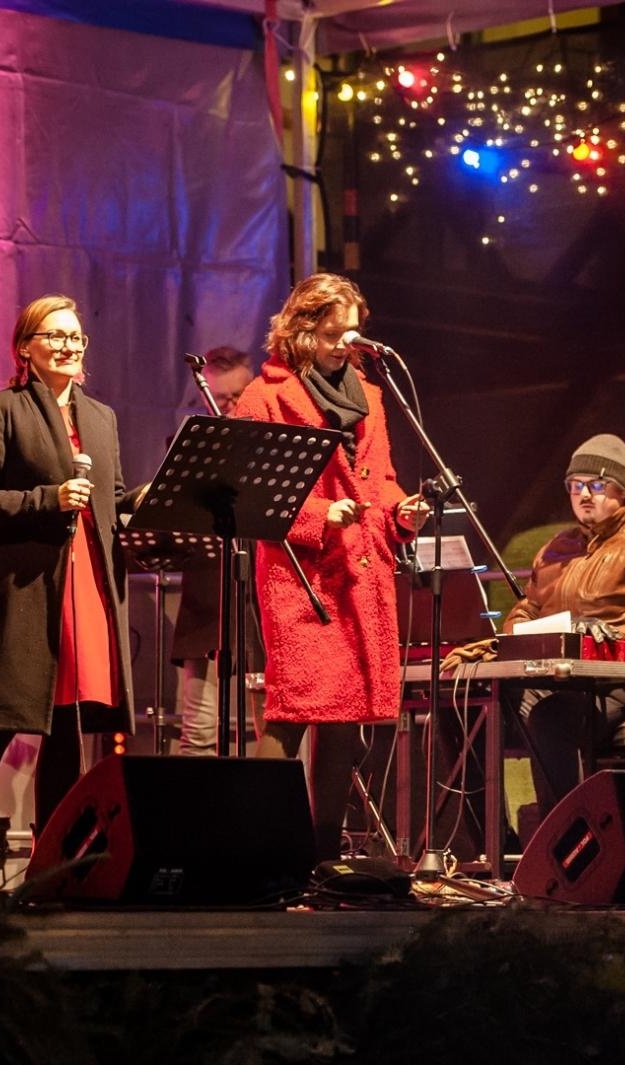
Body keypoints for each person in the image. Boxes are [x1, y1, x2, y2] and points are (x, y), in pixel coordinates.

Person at [0, 294, 133, 893]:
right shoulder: (0, 409)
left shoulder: (102, 417)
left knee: (68, 722)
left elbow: (113, 500)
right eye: (55, 335)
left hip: (87, 583)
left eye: (76, 336)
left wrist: (150, 503)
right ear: (25, 348)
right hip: (23, 585)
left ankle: (54, 860)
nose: (70, 345)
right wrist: (49, 498)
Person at [233, 273, 430, 860]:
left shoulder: (369, 394)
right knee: (294, 706)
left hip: (362, 570)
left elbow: (384, 478)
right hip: (303, 575)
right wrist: (320, 513)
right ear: (302, 328)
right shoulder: (264, 396)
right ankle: (262, 848)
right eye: (332, 332)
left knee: (346, 716)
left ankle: (322, 854)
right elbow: (248, 492)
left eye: (352, 332)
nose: (345, 342)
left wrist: (401, 513)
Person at [502, 434, 625, 820]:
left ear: (622, 492)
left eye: (597, 485)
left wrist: (609, 635)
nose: (584, 495)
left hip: (624, 687)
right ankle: (479, 851)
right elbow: (526, 609)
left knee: (550, 717)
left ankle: (572, 839)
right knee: (468, 713)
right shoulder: (557, 548)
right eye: (575, 486)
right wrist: (519, 629)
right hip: (553, 682)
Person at [170, 345, 264, 755]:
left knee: (274, 732)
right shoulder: (192, 446)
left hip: (261, 601)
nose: (227, 406)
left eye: (236, 396)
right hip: (206, 606)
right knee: (200, 734)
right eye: (218, 398)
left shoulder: (270, 446)